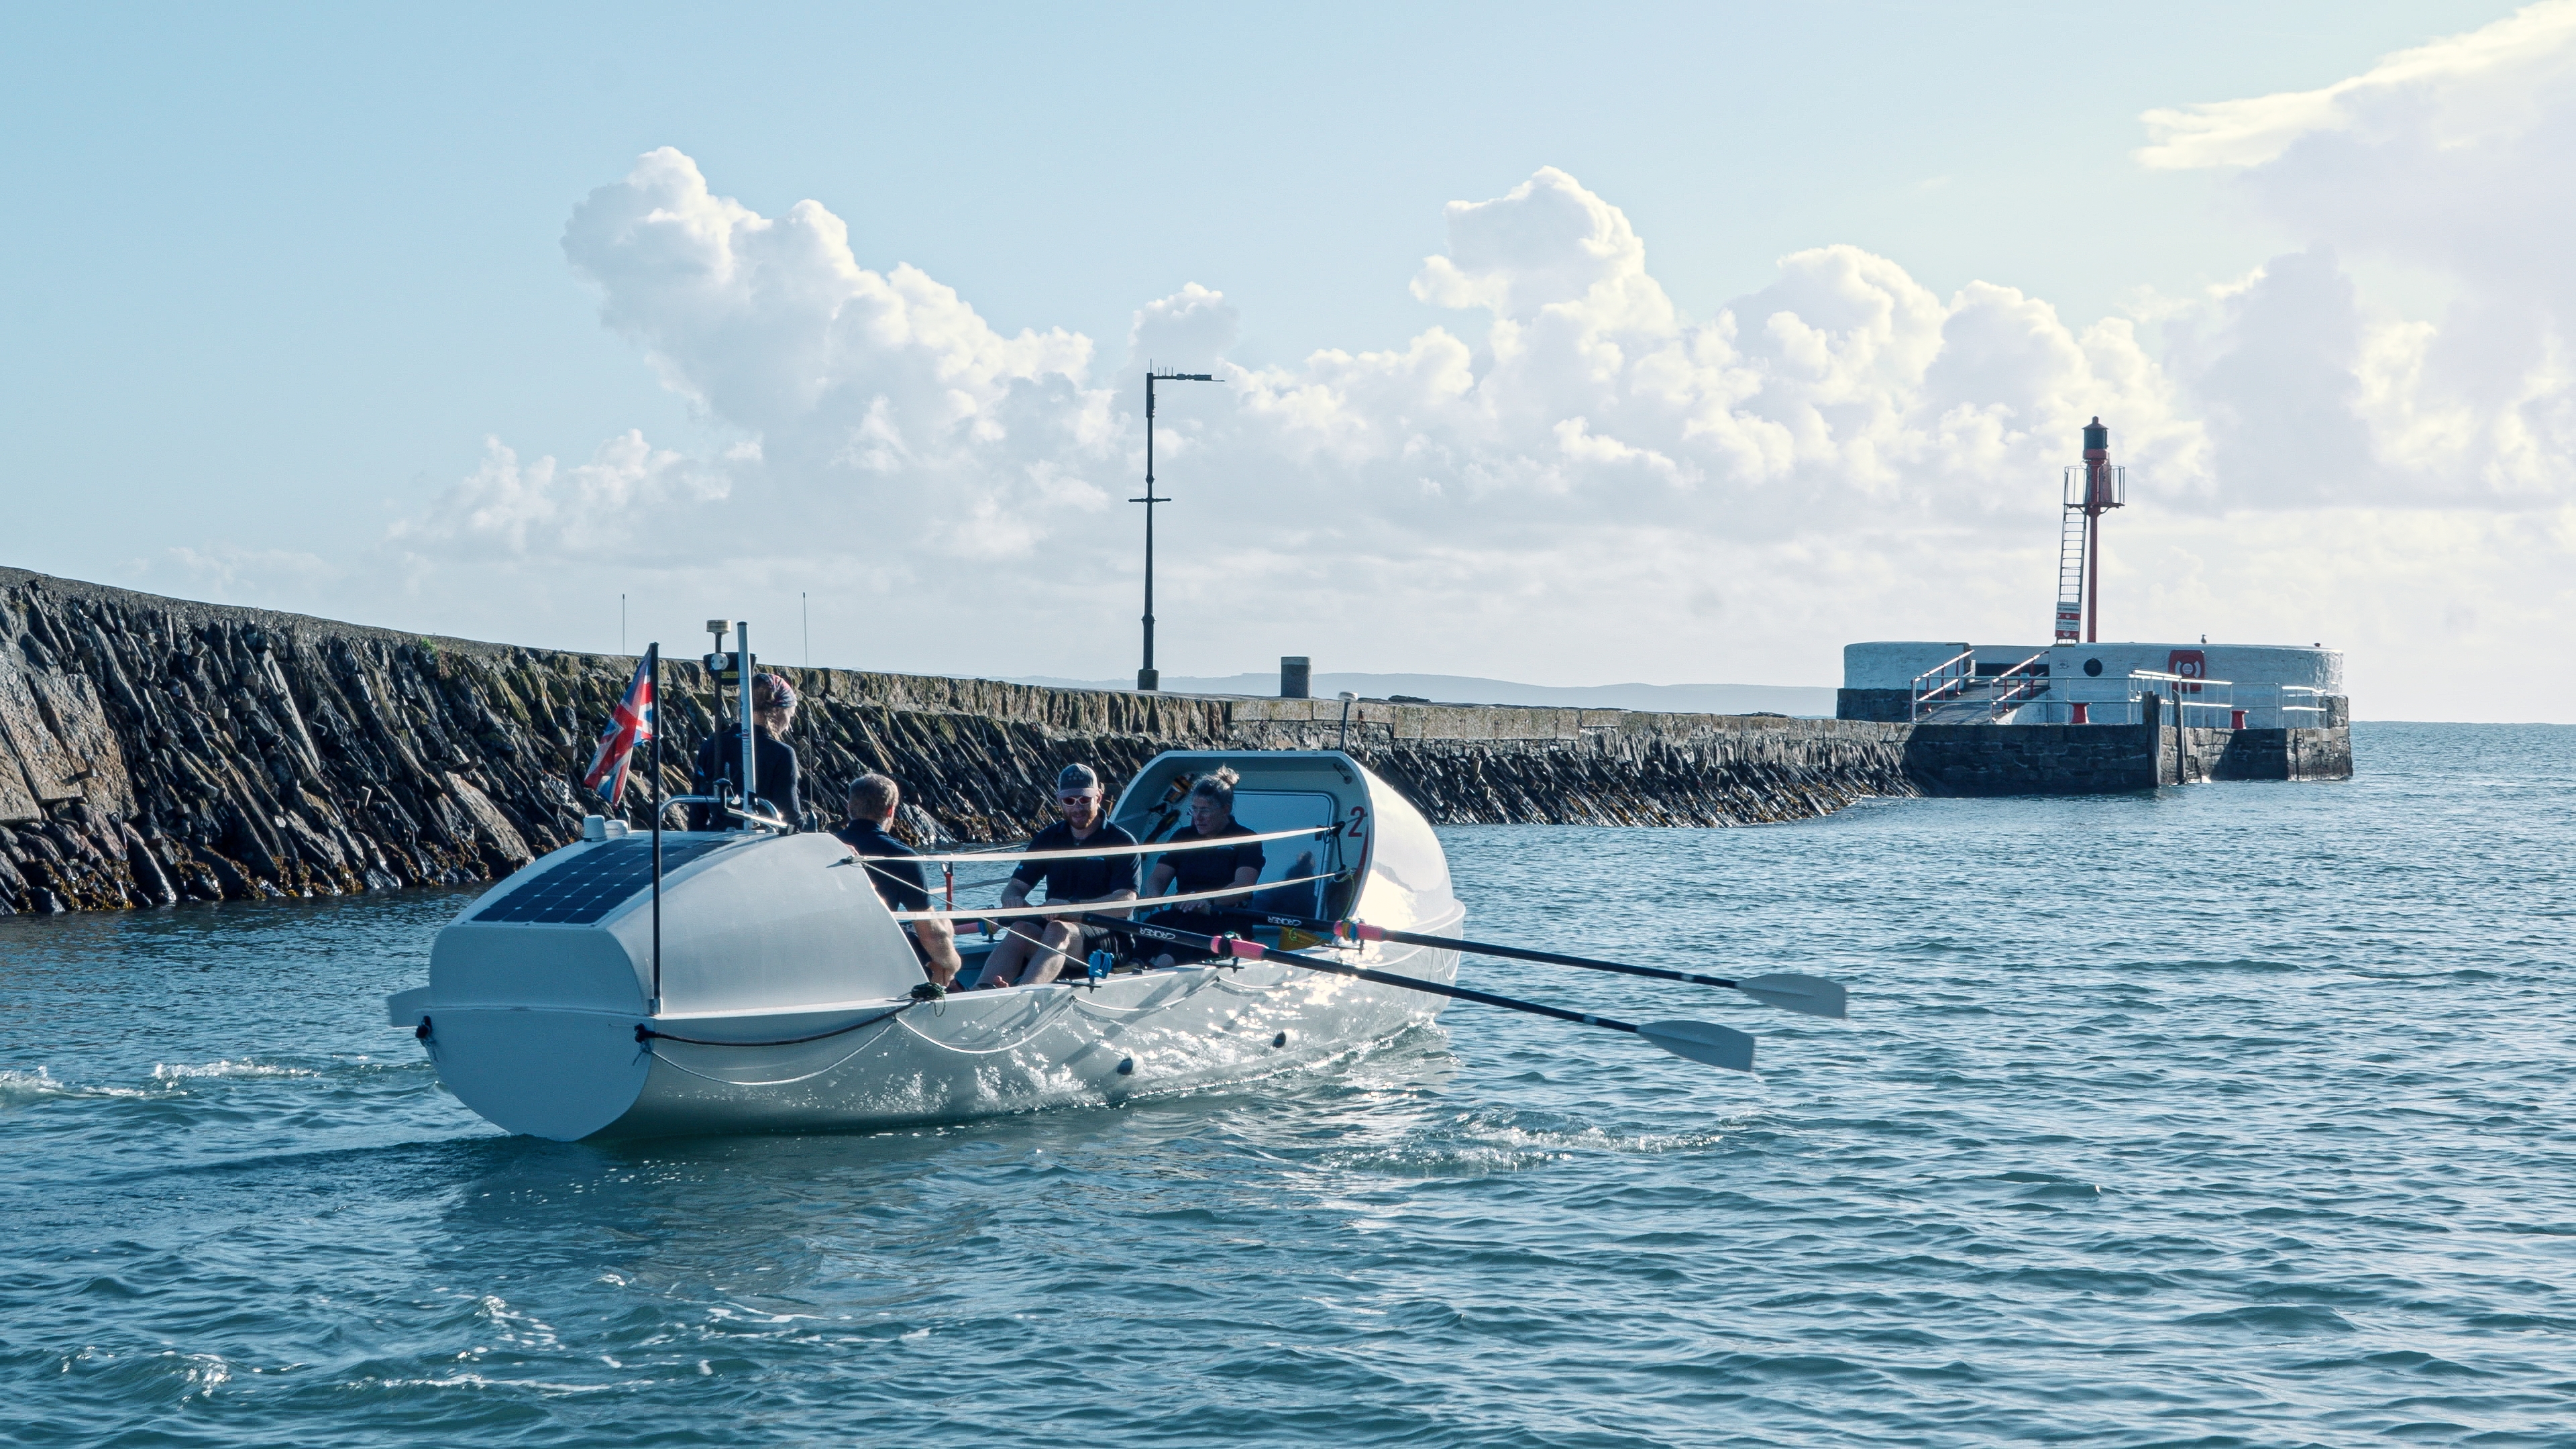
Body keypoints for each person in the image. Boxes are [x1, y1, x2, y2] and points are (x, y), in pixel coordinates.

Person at [977, 763, 1138, 989]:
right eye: (1069, 801)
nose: (1077, 807)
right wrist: (1012, 899)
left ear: (1099, 797)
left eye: (1084, 800)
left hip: (1109, 936)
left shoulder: (1122, 841)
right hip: (1059, 930)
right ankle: (982, 991)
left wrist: (1072, 908)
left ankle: (1022, 994)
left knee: (1058, 928)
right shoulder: (1048, 838)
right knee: (1021, 928)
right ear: (1060, 801)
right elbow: (1014, 887)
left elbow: (1126, 904)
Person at [833, 773, 961, 989]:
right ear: (891, 810)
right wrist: (954, 965)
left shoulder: (826, 847)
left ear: (849, 807)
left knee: (939, 928)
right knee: (942, 938)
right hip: (878, 954)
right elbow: (931, 934)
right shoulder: (901, 856)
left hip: (833, 949)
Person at [1140, 768, 1264, 967]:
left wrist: (1206, 901)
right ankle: (1133, 965)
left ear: (1225, 809)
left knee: (1186, 930)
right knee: (1149, 926)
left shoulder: (1246, 839)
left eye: (1205, 810)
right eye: (1194, 809)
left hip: (1225, 918)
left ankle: (1160, 967)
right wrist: (1155, 896)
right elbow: (1158, 878)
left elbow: (1244, 886)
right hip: (1184, 914)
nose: (1198, 817)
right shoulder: (1183, 836)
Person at [690, 672, 802, 829]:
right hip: (760, 842)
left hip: (715, 839)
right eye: (790, 715)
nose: (789, 725)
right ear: (778, 711)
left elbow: (697, 810)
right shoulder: (781, 753)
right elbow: (790, 814)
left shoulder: (711, 745)